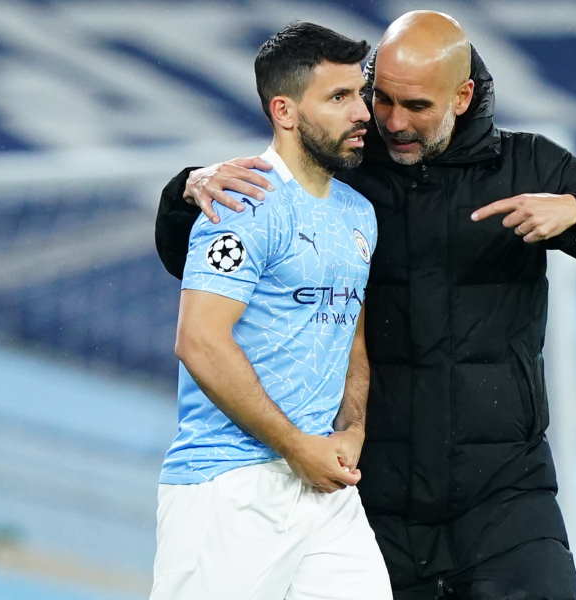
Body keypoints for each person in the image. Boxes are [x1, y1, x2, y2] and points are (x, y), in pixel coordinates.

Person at [155, 11, 576, 600]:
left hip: (503, 500)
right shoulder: (348, 165)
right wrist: (188, 190)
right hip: (373, 495)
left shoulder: (527, 166)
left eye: (416, 106)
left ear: (462, 97)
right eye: (381, 99)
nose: (393, 122)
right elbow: (213, 255)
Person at [150, 22, 392, 600]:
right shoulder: (241, 202)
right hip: (228, 487)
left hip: (324, 489)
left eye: (359, 94)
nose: (362, 112)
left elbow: (350, 333)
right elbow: (199, 341)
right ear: (284, 110)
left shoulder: (358, 213)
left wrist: (353, 428)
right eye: (339, 97)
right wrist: (294, 446)